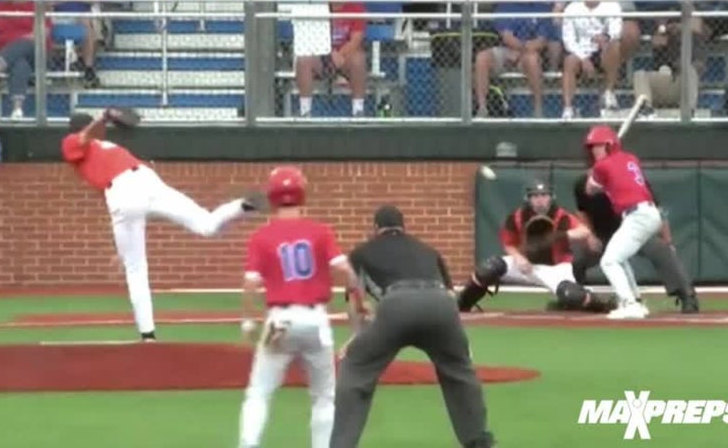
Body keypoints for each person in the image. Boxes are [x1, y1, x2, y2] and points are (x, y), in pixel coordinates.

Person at [60, 112, 265, 341]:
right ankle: (241, 206)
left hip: (123, 191)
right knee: (205, 223)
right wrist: (120, 249)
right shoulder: (98, 147)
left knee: (136, 270)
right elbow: (86, 139)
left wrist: (104, 116)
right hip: (146, 181)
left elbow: (86, 139)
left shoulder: (76, 144)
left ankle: (148, 335)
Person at [330, 205, 496, 448]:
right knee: (460, 374)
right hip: (440, 306)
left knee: (356, 369)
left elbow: (356, 299)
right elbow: (451, 297)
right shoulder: (428, 251)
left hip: (396, 305)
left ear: (375, 229)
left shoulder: (362, 252)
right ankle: (479, 441)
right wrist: (459, 343)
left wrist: (355, 338)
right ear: (403, 227)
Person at [237, 166, 362, 448]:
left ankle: (248, 444)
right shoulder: (320, 232)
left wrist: (248, 320)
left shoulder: (261, 236)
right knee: (323, 397)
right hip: (315, 320)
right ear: (302, 194)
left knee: (258, 392)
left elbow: (250, 284)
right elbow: (344, 270)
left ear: (272, 197)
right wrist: (355, 295)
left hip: (278, 320)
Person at [455, 180, 618, 314]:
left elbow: (583, 231)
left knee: (572, 295)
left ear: (550, 197)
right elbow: (508, 243)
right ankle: (462, 306)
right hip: (526, 264)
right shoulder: (518, 216)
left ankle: (600, 304)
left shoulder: (560, 215)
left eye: (544, 195)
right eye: (535, 196)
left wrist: (559, 235)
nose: (540, 200)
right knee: (489, 268)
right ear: (529, 198)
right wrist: (518, 257)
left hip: (555, 268)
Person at [571, 172, 700, 313]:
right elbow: (582, 211)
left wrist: (668, 241)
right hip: (604, 236)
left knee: (661, 250)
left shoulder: (634, 181)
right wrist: (590, 235)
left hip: (634, 231)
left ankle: (687, 295)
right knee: (577, 257)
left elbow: (657, 211)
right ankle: (576, 297)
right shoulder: (583, 183)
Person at [584, 125, 661, 319]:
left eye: (598, 146)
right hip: (644, 214)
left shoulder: (602, 166)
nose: (594, 150)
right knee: (619, 258)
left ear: (609, 145)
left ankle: (629, 303)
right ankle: (636, 301)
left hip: (638, 215)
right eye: (592, 147)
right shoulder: (630, 158)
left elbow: (589, 190)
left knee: (609, 262)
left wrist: (592, 176)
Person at [474, 0, 555, 118]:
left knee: (532, 59)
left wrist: (521, 51)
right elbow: (507, 37)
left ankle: (538, 109)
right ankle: (482, 107)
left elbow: (541, 40)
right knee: (482, 58)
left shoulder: (543, 7)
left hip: (529, 53)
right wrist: (519, 49)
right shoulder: (505, 6)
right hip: (507, 50)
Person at [295, 0, 367, 117]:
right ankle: (305, 111)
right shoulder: (317, 8)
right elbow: (311, 38)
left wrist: (339, 54)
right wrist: (330, 53)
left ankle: (358, 109)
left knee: (359, 59)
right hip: (321, 54)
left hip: (345, 57)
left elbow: (356, 39)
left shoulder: (355, 8)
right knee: (303, 61)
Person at [561, 0, 624, 119]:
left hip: (602, 51)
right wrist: (583, 58)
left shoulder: (612, 6)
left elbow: (617, 30)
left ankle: (609, 93)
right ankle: (568, 109)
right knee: (569, 61)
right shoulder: (571, 8)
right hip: (579, 52)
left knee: (614, 46)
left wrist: (606, 37)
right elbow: (568, 39)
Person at [46, 0, 106, 88]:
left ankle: (88, 69)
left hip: (84, 13)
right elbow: (50, 0)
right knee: (41, 20)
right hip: (58, 15)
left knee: (87, 20)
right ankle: (42, 68)